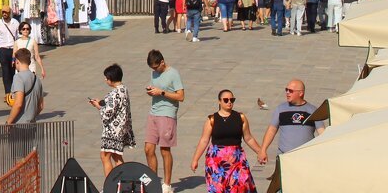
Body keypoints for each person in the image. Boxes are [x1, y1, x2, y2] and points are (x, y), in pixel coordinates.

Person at [190, 89, 263, 193]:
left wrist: (261, 151)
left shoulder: (240, 117)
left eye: (232, 100)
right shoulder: (212, 119)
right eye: (226, 100)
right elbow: (204, 140)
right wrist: (195, 159)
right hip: (216, 162)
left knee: (240, 186)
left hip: (237, 160)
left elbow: (248, 138)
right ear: (219, 101)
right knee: (218, 189)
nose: (229, 102)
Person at [143, 50, 184, 193]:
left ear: (162, 62)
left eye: (156, 67)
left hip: (167, 113)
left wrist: (161, 92)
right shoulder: (154, 73)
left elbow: (181, 96)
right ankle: (153, 181)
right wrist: (151, 91)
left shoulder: (173, 73)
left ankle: (167, 184)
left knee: (165, 149)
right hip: (153, 112)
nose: (154, 70)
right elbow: (156, 87)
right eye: (152, 68)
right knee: (148, 149)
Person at [258, 79, 324, 164]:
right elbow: (271, 130)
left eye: (291, 91)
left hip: (306, 158)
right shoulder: (280, 109)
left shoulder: (312, 110)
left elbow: (322, 132)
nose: (287, 92)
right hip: (284, 158)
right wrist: (263, 150)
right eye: (286, 90)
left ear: (301, 93)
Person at [89, 63, 135, 176]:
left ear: (111, 79)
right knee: (117, 156)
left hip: (113, 131)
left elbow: (107, 113)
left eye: (106, 78)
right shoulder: (124, 89)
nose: (105, 80)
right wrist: (103, 102)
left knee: (104, 156)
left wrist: (98, 106)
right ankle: (123, 182)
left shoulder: (114, 93)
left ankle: (109, 186)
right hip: (122, 128)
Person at [0, 7, 21, 95]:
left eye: (6, 12)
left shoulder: (15, 23)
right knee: (5, 71)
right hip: (2, 49)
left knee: (13, 70)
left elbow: (18, 36)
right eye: (3, 12)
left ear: (10, 13)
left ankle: (13, 90)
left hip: (13, 49)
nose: (4, 14)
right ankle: (7, 92)